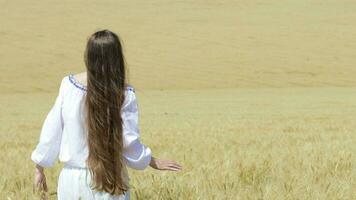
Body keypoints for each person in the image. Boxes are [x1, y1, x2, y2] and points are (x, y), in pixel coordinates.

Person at [31, 29, 182, 200]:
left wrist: (39, 167)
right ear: (117, 58)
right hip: (109, 179)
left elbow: (52, 129)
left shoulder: (68, 86)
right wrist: (150, 161)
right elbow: (127, 140)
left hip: (71, 183)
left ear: (88, 55)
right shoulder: (124, 93)